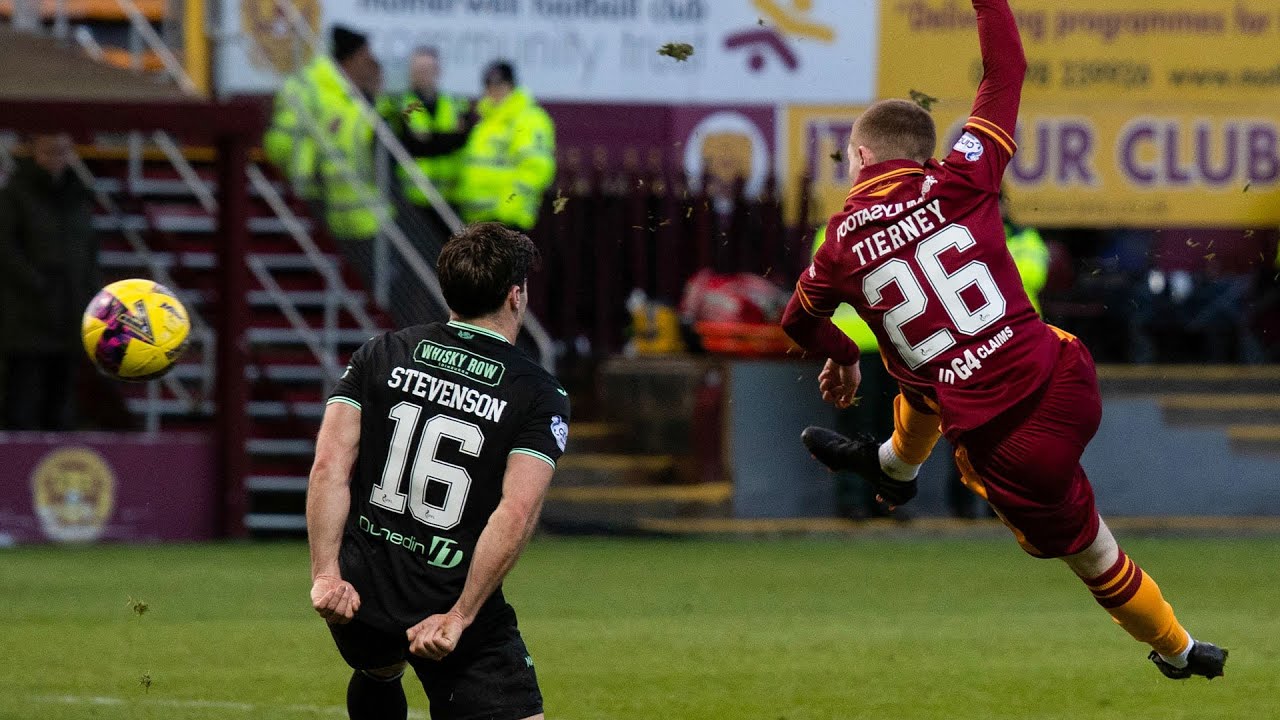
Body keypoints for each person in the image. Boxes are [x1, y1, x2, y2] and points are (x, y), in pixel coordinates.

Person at [780, 0, 1226, 680]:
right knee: (936, 363)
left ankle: (1180, 649)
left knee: (1093, 556)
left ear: (861, 157)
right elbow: (1007, 67)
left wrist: (841, 357)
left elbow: (796, 323)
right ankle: (892, 469)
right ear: (925, 153)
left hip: (1008, 447)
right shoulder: (961, 176)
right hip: (1068, 377)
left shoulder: (839, 242)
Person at [306, 221, 569, 720]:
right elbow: (515, 512)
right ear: (516, 297)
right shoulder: (537, 394)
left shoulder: (379, 353)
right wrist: (460, 616)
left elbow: (329, 466)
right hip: (447, 600)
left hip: (359, 597)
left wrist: (325, 574)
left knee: (379, 668)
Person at [948, 188, 1048, 517]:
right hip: (972, 346)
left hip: (1018, 347)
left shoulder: (1025, 236)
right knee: (968, 427)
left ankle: (1005, 504)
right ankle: (962, 504)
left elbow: (1034, 275)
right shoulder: (958, 234)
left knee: (1014, 430)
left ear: (1004, 205)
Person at [0, 134, 97, 430]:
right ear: (35, 153)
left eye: (63, 151)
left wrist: (89, 295)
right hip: (26, 319)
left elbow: (89, 251)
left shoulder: (78, 196)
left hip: (69, 316)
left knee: (61, 404)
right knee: (22, 402)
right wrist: (37, 284)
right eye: (50, 151)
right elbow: (5, 248)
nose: (57, 158)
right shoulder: (14, 195)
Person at [809, 231, 897, 521]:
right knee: (857, 424)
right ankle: (853, 501)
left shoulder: (836, 230)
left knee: (890, 423)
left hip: (890, 343)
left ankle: (884, 498)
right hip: (856, 346)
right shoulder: (834, 231)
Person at [456, 61, 555, 231]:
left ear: (511, 85)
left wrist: (509, 205)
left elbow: (537, 169)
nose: (494, 90)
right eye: (489, 85)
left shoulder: (528, 118)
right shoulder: (485, 122)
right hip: (477, 220)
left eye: (500, 85)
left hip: (506, 221)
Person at [382, 46, 473, 218]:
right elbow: (413, 145)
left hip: (451, 198)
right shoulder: (400, 105)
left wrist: (428, 139)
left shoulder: (456, 103)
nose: (423, 74)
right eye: (418, 70)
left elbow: (461, 139)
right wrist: (447, 137)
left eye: (427, 69)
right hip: (413, 201)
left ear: (438, 71)